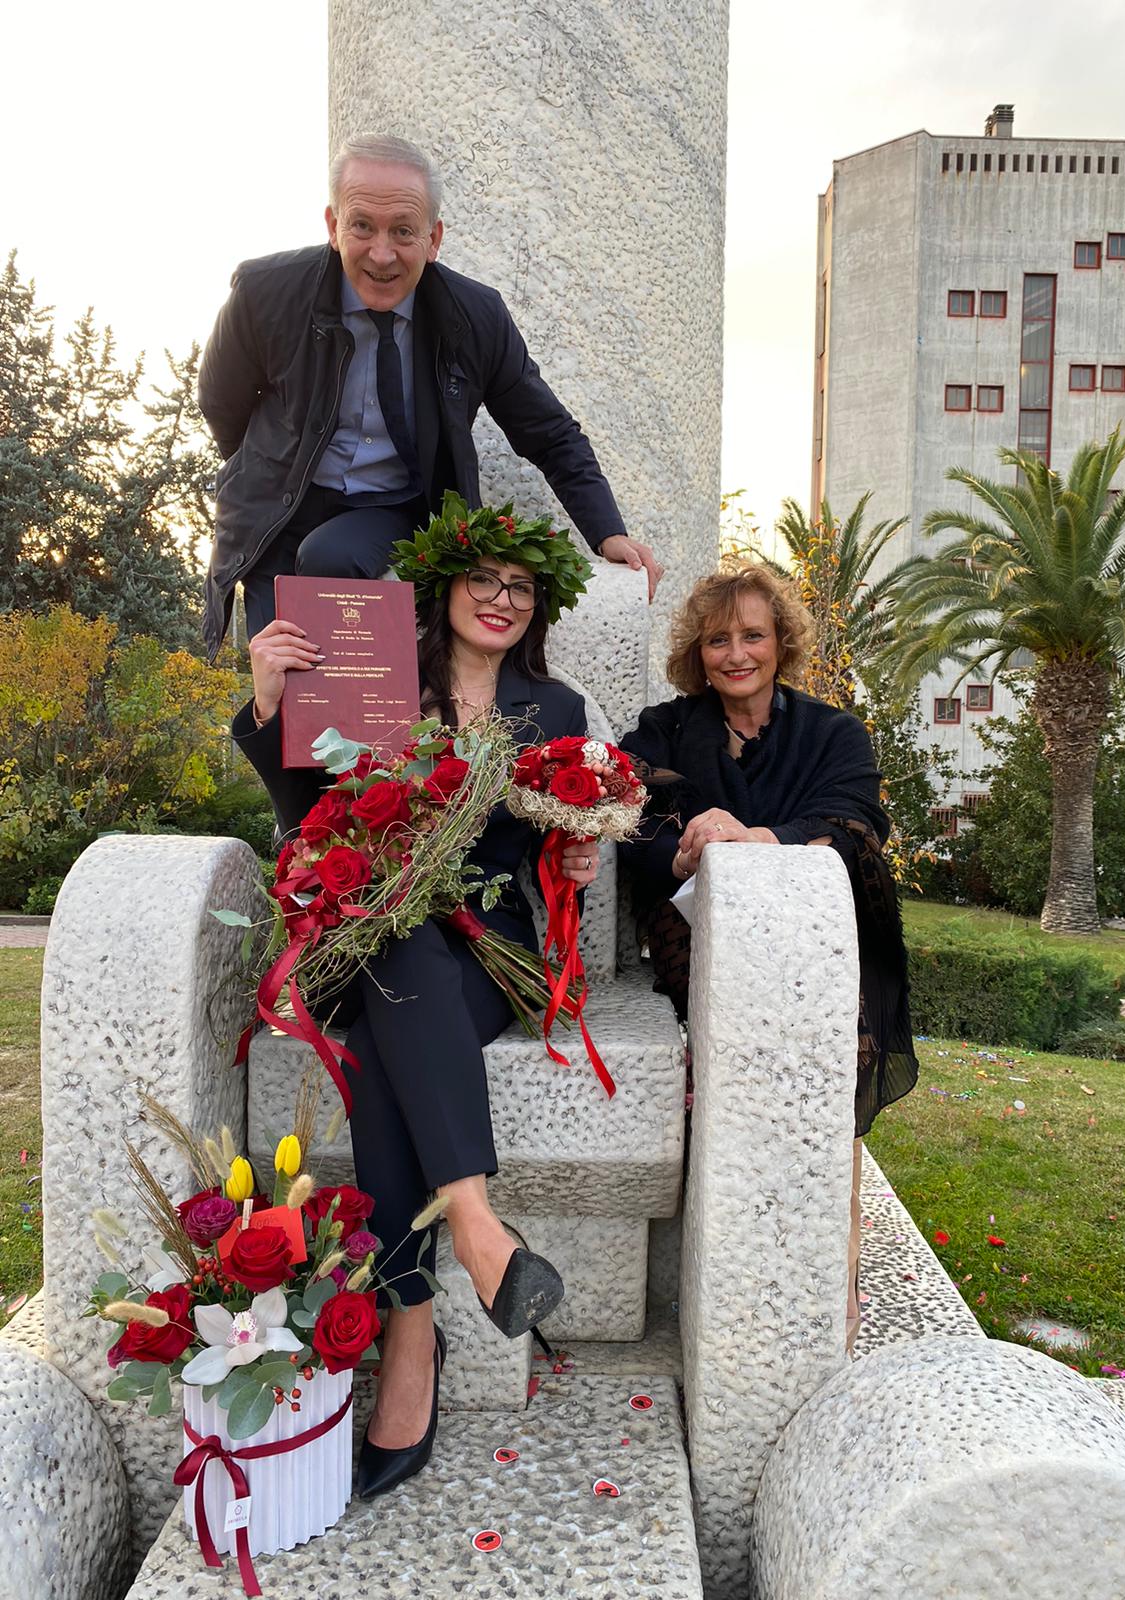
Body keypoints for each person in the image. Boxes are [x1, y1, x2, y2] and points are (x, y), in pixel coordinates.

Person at [233, 509, 599, 1497]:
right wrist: (270, 702)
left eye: (522, 586)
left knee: (387, 1025)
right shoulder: (380, 675)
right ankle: (477, 1229)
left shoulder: (556, 703)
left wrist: (575, 849)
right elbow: (307, 807)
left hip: (485, 945)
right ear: (444, 586)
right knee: (397, 943)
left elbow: (549, 836)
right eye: (484, 578)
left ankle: (410, 1319)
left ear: (539, 607)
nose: (501, 599)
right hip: (366, 920)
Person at [198, 131, 663, 663]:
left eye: (403, 231)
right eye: (362, 226)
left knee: (330, 556)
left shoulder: (477, 317)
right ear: (333, 226)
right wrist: (273, 467)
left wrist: (608, 533)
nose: (382, 254)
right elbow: (221, 401)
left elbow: (549, 433)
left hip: (394, 505)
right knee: (277, 674)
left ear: (434, 238)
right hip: (279, 507)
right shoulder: (264, 293)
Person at [618, 564, 918, 1352]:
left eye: (753, 635)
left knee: (824, 1067)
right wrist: (682, 856)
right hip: (698, 938)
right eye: (718, 639)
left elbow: (856, 823)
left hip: (814, 946)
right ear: (698, 652)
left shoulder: (833, 732)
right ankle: (734, 1253)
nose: (736, 654)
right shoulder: (664, 728)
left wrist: (757, 839)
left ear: (781, 641)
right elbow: (624, 818)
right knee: (735, 1057)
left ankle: (832, 1271)